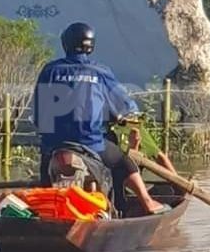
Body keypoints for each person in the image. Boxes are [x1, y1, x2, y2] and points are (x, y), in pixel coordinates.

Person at [32, 22, 167, 216]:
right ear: (91, 45)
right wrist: (123, 115)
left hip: (54, 147)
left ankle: (44, 213)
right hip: (92, 144)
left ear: (65, 44)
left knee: (45, 173)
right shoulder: (100, 72)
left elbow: (38, 116)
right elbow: (127, 108)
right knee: (124, 162)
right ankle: (147, 202)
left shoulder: (50, 70)